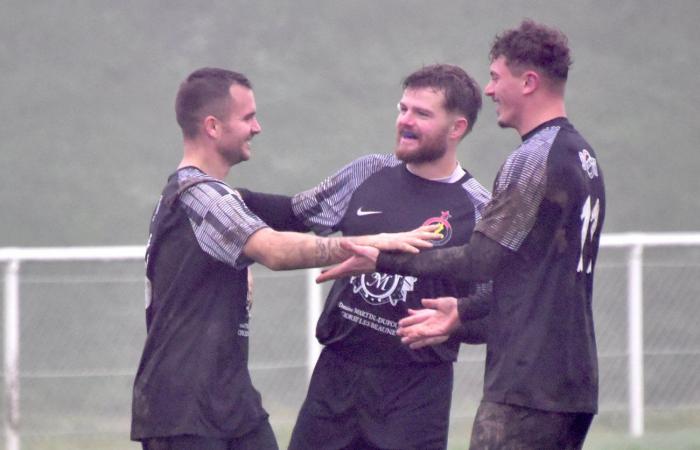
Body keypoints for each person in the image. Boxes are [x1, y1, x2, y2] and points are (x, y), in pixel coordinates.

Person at [317, 20, 606, 450]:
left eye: (495, 78)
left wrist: (383, 256)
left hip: (528, 383)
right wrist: (463, 312)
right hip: (571, 381)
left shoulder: (534, 157)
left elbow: (479, 261)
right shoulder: (583, 156)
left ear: (528, 82)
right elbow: (532, 277)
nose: (489, 91)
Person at [129, 67, 438, 450]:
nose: (257, 127)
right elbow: (273, 250)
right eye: (247, 117)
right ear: (212, 126)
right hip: (183, 412)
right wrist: (374, 242)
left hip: (231, 404)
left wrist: (367, 178)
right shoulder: (200, 195)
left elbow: (296, 212)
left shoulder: (217, 198)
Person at [239, 64, 492, 450]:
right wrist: (216, 194)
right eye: (402, 108)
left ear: (456, 128)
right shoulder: (368, 172)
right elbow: (294, 213)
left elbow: (500, 309)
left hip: (415, 396)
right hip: (337, 381)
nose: (405, 121)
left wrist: (458, 322)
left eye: (421, 114)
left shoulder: (478, 209)